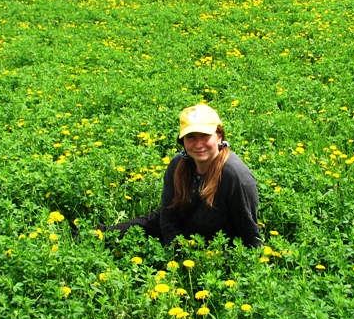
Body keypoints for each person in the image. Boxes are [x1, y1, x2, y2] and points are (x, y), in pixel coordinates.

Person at [102, 104, 261, 248]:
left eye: (205, 135)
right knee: (112, 235)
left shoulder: (236, 177)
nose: (198, 144)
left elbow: (250, 235)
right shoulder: (178, 164)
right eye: (190, 136)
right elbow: (168, 216)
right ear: (182, 140)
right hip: (179, 232)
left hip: (214, 247)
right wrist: (177, 249)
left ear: (219, 135)